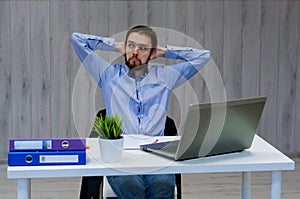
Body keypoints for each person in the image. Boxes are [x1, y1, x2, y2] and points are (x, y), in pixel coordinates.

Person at [71, 25, 210, 199]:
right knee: (131, 186)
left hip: (157, 155)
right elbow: (77, 39)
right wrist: (115, 46)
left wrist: (165, 52)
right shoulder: (108, 75)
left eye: (143, 48)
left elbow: (203, 56)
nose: (135, 51)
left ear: (152, 53)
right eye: (131, 46)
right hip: (122, 156)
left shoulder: (165, 76)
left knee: (163, 186)